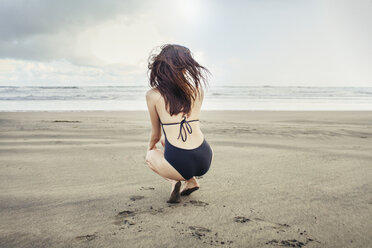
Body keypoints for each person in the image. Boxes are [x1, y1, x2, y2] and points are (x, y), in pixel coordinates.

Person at [145, 44, 214, 204]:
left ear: (161, 67)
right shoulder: (197, 90)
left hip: (180, 162)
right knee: (166, 141)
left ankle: (174, 180)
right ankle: (191, 181)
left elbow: (155, 134)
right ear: (184, 66)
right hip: (205, 157)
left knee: (150, 155)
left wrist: (150, 148)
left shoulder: (153, 95)